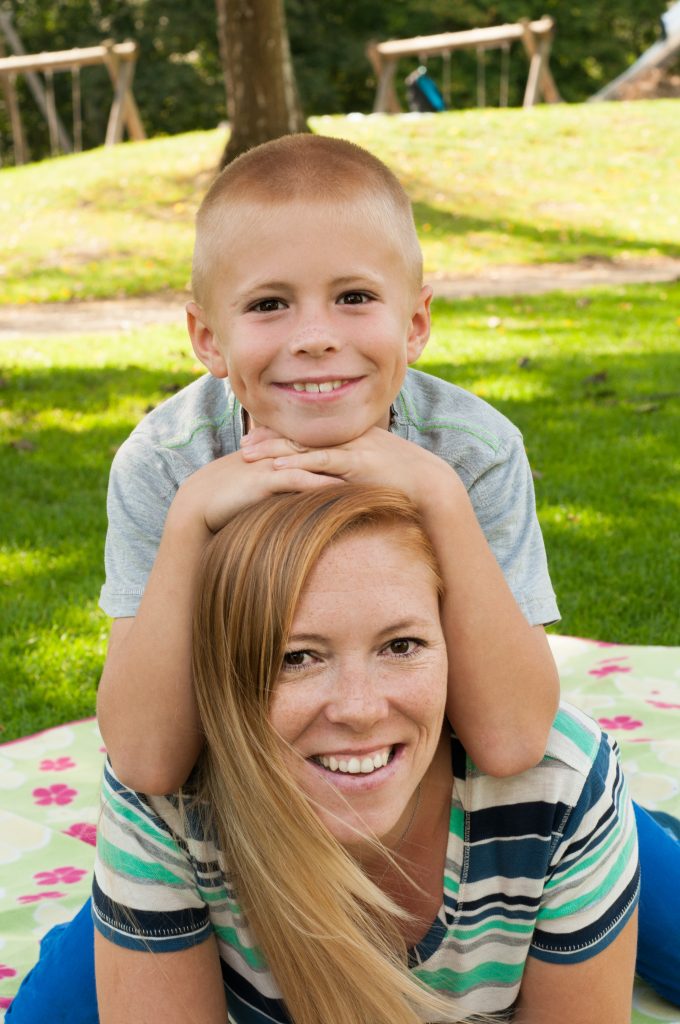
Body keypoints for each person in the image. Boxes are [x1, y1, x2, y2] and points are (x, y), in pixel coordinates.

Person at [5, 134, 677, 1021]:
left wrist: (437, 497)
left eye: (354, 297)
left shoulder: (471, 452)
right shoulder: (165, 465)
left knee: (604, 846)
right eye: (269, 304)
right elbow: (147, 757)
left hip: (467, 797)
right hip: (235, 814)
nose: (316, 337)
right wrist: (190, 523)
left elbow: (514, 737)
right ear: (206, 336)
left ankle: (630, 843)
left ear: (416, 323)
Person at [92, 485, 640, 1024]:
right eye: (296, 657)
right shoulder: (164, 805)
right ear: (224, 676)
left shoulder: (561, 783)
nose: (359, 710)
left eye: (401, 646)